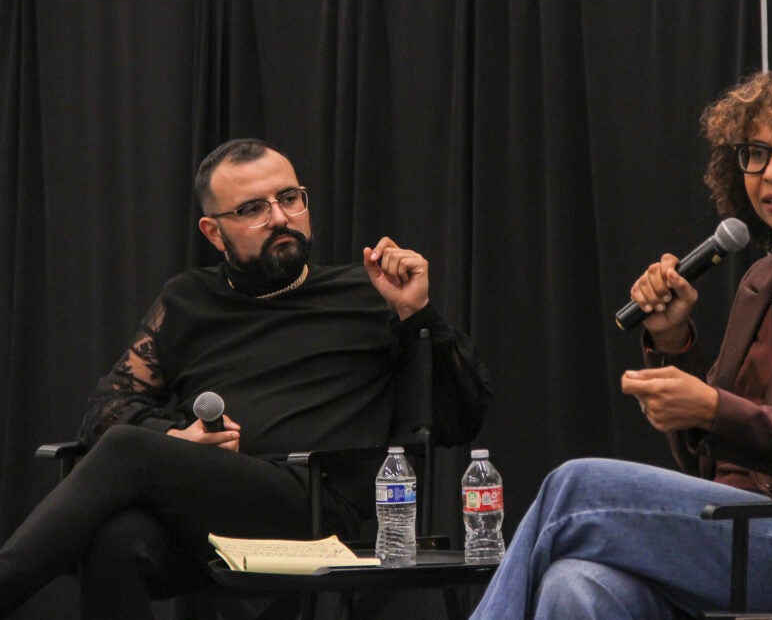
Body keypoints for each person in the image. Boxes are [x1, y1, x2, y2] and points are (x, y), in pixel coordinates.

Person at [470, 66, 772, 619]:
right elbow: (707, 465)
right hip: (735, 531)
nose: (771, 173)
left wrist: (712, 407)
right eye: (754, 154)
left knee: (575, 485)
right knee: (574, 582)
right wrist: (674, 341)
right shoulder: (764, 279)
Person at [0, 138, 493, 618]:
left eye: (289, 198)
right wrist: (176, 438)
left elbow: (459, 416)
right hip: (208, 518)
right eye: (252, 208)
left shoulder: (369, 293)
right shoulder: (188, 299)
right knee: (117, 540)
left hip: (318, 511)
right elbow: (105, 408)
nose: (279, 217)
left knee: (130, 450)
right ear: (214, 233)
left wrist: (417, 314)